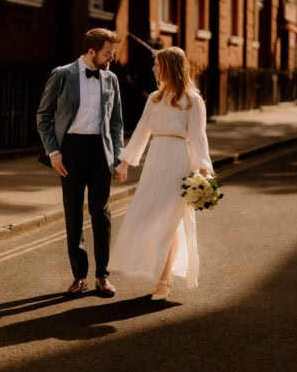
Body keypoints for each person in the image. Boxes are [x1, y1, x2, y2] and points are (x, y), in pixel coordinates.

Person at [110, 46, 213, 301]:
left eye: (157, 64)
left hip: (179, 161)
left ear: (169, 66)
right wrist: (124, 163)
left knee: (171, 222)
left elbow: (199, 138)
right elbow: (142, 131)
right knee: (148, 218)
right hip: (155, 161)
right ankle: (157, 272)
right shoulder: (154, 97)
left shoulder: (193, 100)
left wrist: (203, 169)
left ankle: (164, 280)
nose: (154, 68)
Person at [36, 28, 124, 297]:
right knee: (73, 214)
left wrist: (119, 157)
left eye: (113, 53)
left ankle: (102, 276)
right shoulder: (62, 74)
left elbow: (116, 123)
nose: (112, 58)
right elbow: (44, 115)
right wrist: (53, 152)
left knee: (101, 213)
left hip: (100, 151)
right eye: (108, 53)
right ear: (91, 51)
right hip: (70, 151)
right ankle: (79, 277)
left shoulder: (111, 79)